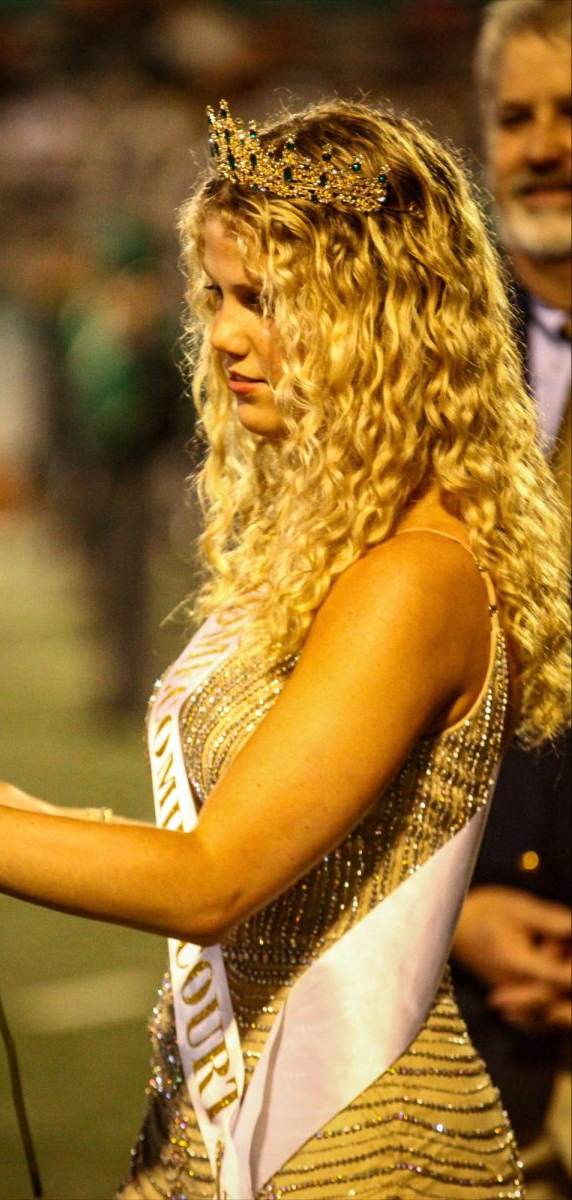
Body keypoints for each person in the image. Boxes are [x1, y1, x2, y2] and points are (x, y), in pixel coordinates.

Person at [0, 98, 570, 1198]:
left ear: (383, 317)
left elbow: (212, 882)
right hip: (226, 1125)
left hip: (357, 1152)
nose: (222, 333)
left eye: (264, 301)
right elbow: (260, 839)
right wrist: (21, 817)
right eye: (216, 294)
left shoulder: (415, 576)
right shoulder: (338, 541)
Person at [452, 3, 571, 1192]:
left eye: (571, 112)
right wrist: (454, 909)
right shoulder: (423, 366)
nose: (543, 146)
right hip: (460, 975)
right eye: (517, 116)